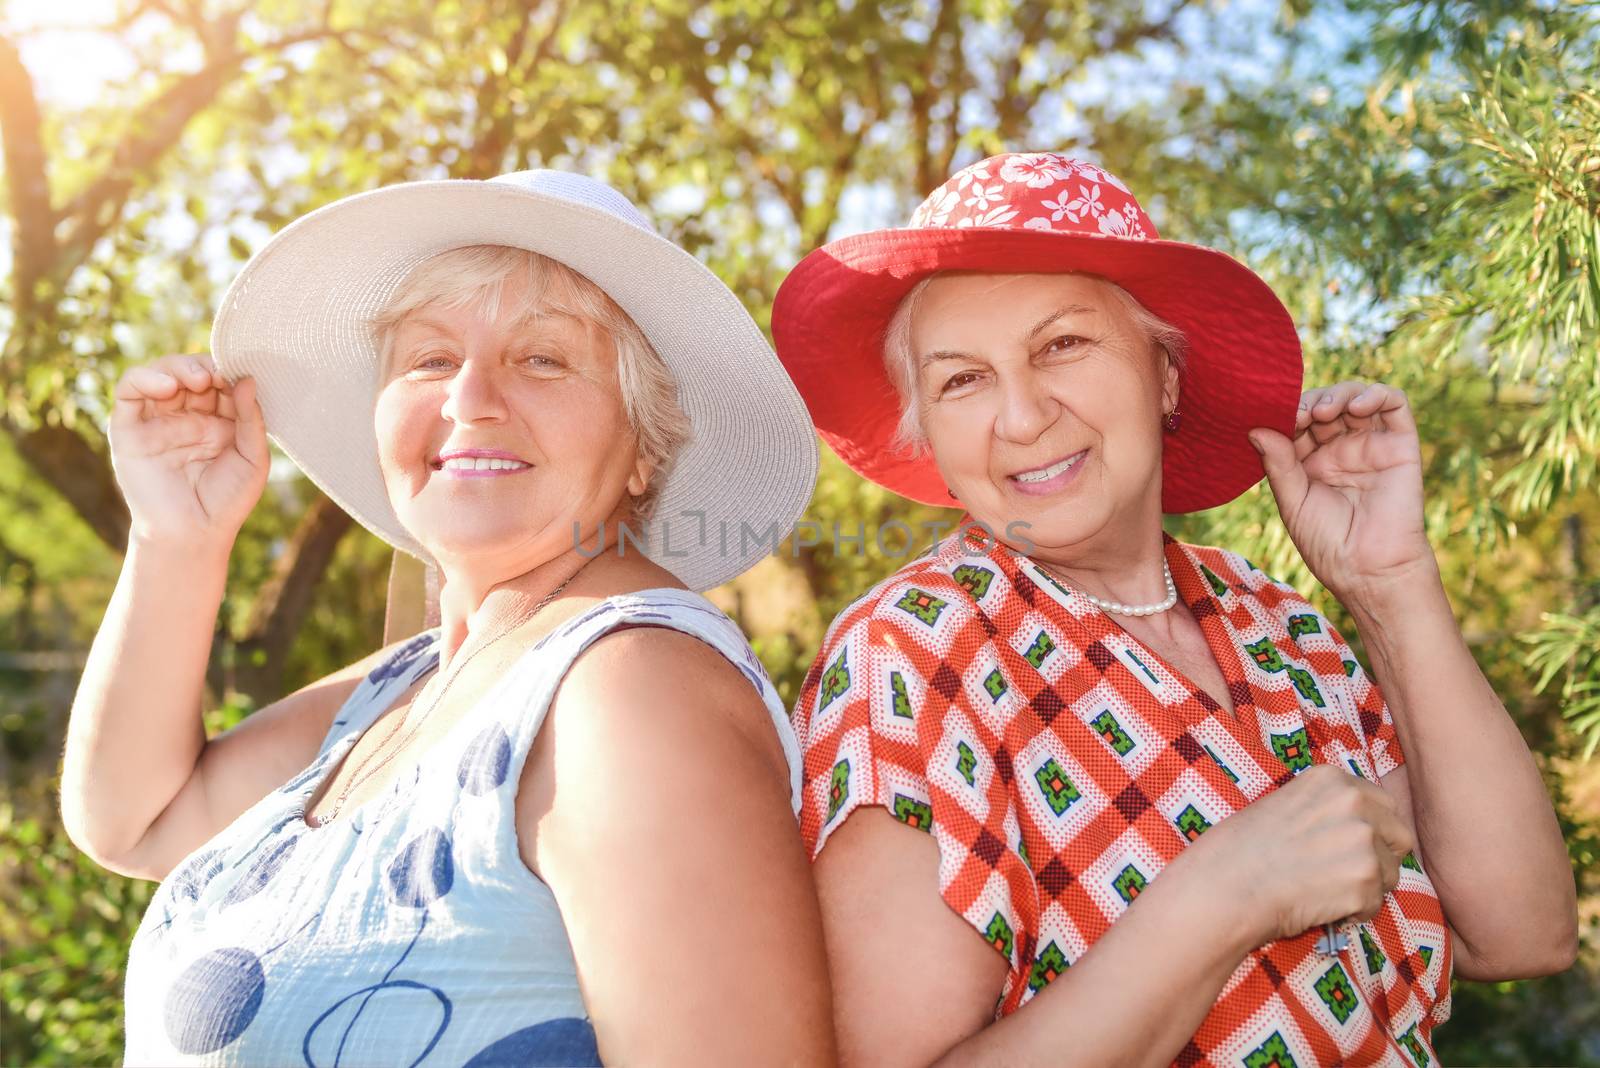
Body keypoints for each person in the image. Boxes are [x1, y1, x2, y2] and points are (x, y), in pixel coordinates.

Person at [770, 152, 1576, 1067]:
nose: (1023, 416)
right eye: (962, 380)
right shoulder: (913, 653)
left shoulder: (1276, 623)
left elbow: (1520, 936)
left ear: (1164, 376)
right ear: (927, 426)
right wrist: (1225, 898)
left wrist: (1389, 586)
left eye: (1063, 345)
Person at [61, 170, 833, 1066]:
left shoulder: (628, 687)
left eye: (542, 358)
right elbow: (135, 820)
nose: (469, 399)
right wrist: (176, 538)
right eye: (429, 359)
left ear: (643, 451)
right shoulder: (410, 681)